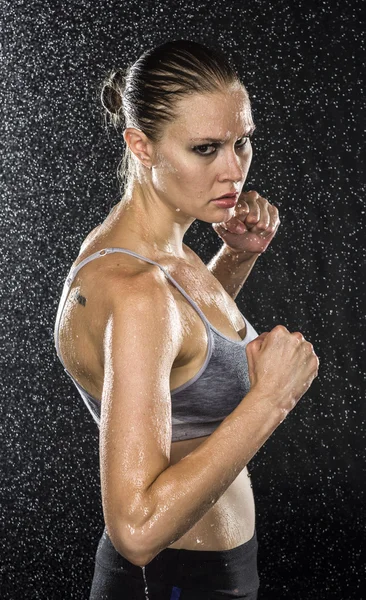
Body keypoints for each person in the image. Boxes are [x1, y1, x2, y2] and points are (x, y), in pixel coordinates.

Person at [54, 40, 319, 600]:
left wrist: (236, 258)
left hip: (207, 575)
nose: (234, 168)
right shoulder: (136, 290)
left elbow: (177, 359)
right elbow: (137, 530)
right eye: (205, 148)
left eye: (240, 141)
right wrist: (271, 399)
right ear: (141, 145)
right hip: (173, 581)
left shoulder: (149, 249)